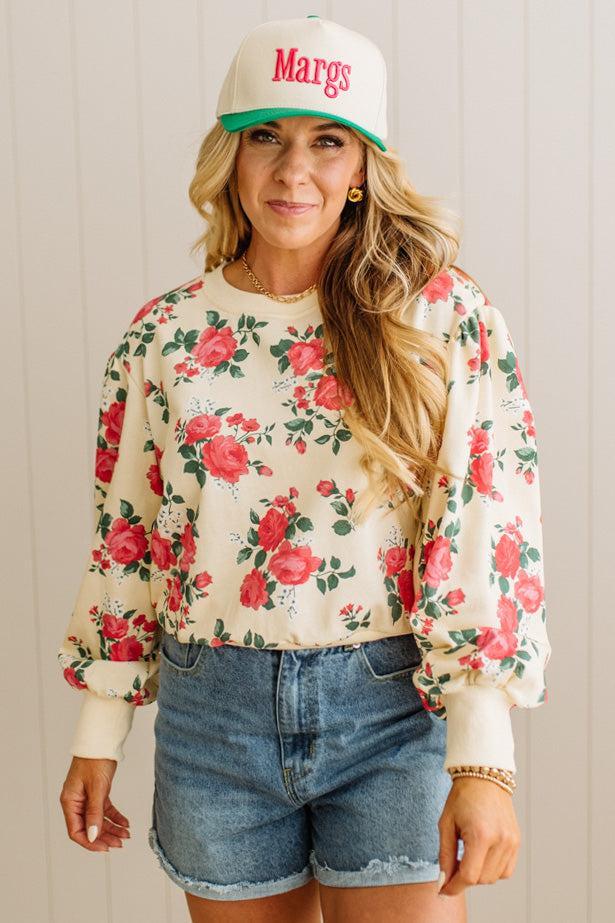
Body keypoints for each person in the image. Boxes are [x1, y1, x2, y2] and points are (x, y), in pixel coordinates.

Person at [57, 14, 551, 923]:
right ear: (229, 159)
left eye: (328, 142)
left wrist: (483, 758)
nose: (294, 172)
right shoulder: (165, 335)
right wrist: (100, 729)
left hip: (392, 715)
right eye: (266, 140)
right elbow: (126, 535)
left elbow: (485, 525)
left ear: (363, 165)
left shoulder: (439, 318)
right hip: (212, 719)